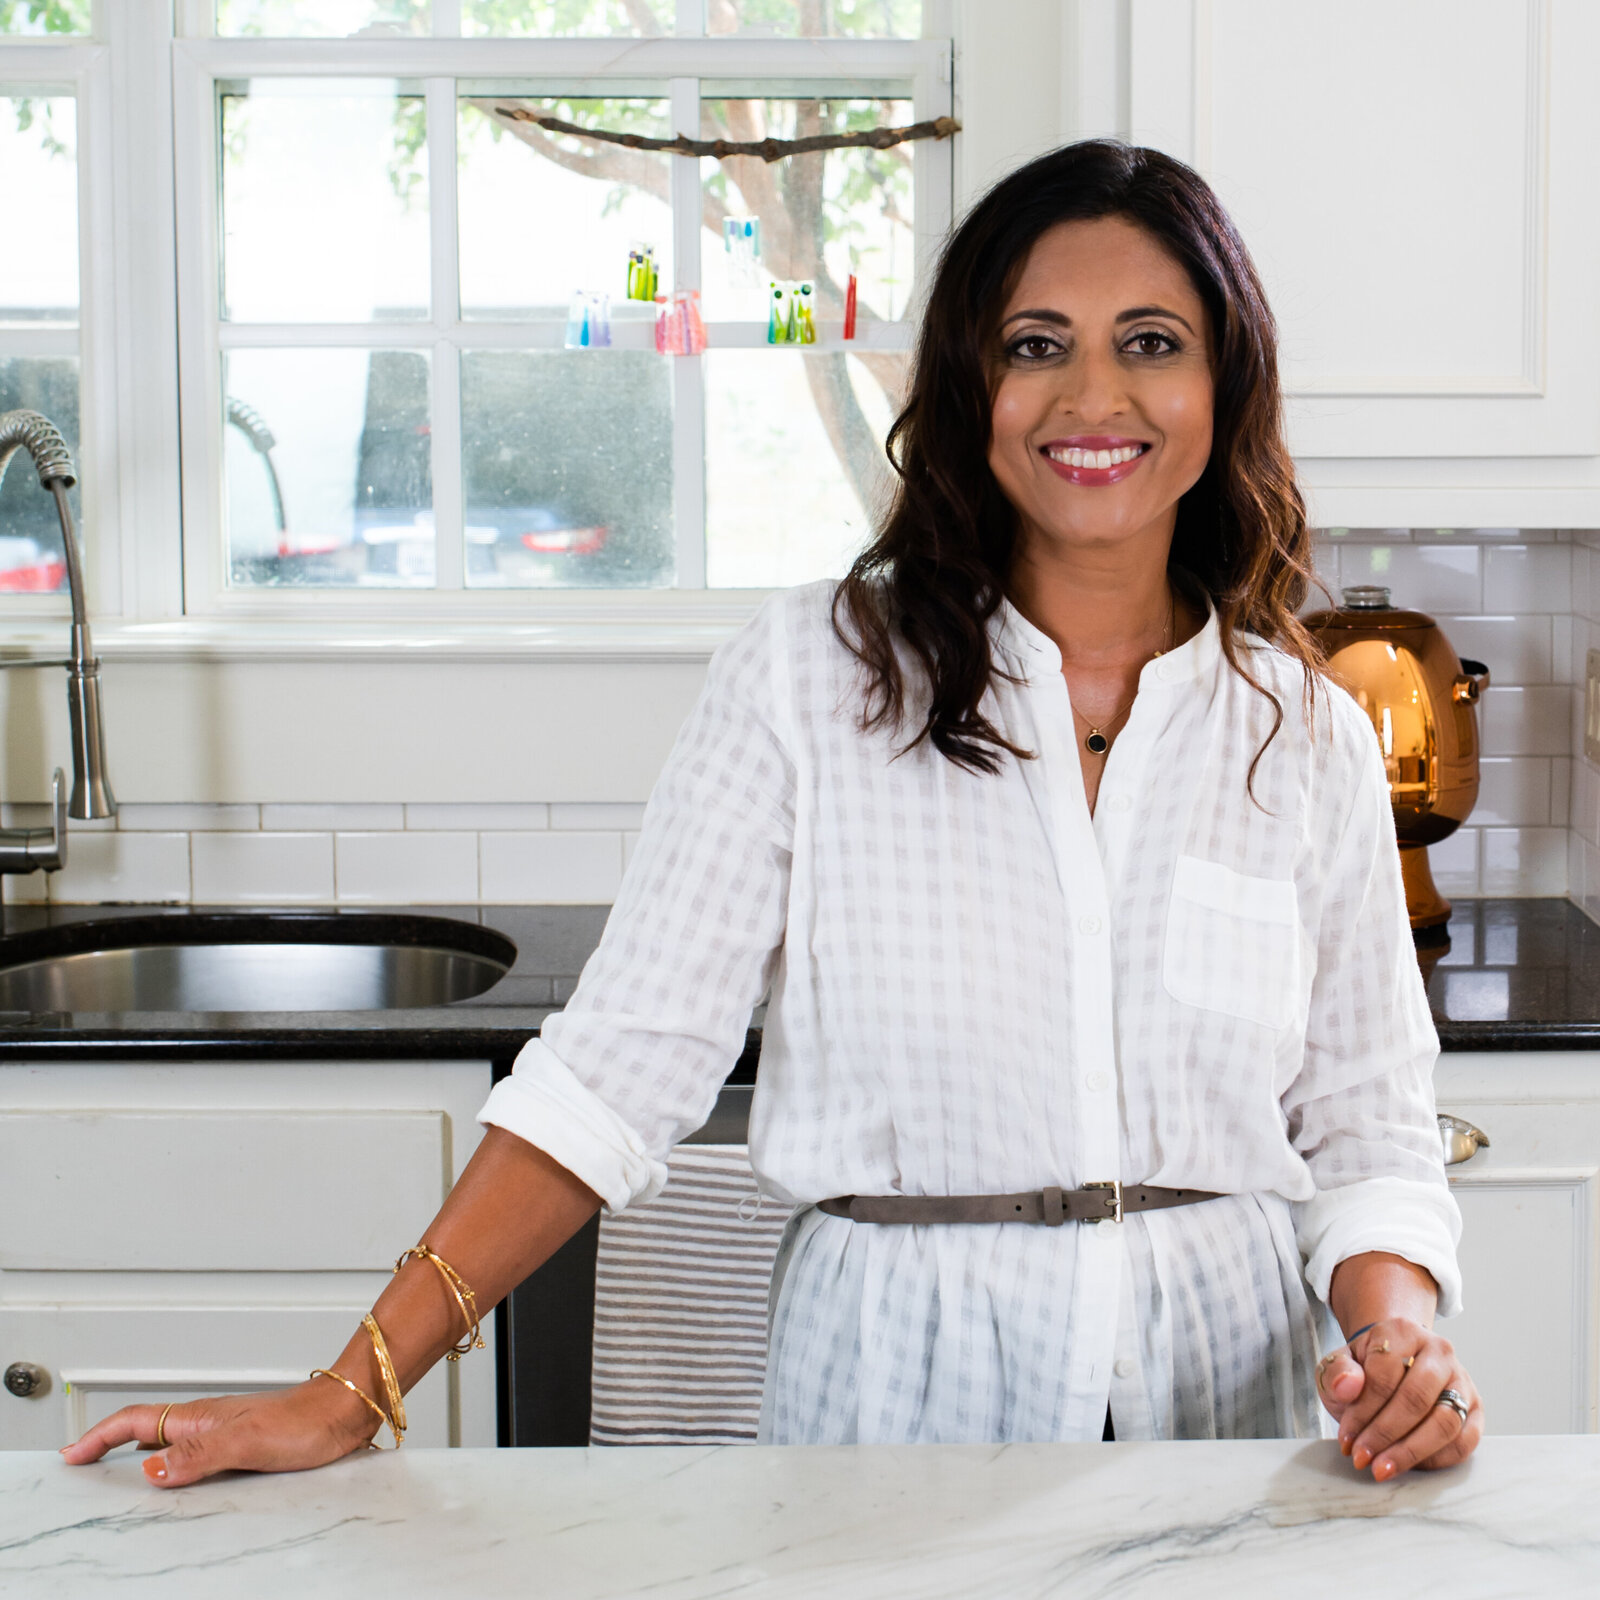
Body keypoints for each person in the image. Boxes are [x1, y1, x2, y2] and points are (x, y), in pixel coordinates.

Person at [64, 139, 1480, 1487]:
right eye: (1035, 344)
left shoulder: (1299, 733)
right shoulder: (818, 678)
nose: (1090, 395)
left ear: (1226, 385)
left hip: (1220, 1407)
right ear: (970, 384)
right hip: (889, 1398)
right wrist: (348, 1390)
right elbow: (616, 1071)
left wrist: (1395, 1335)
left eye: (1152, 343)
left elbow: (1364, 1130)